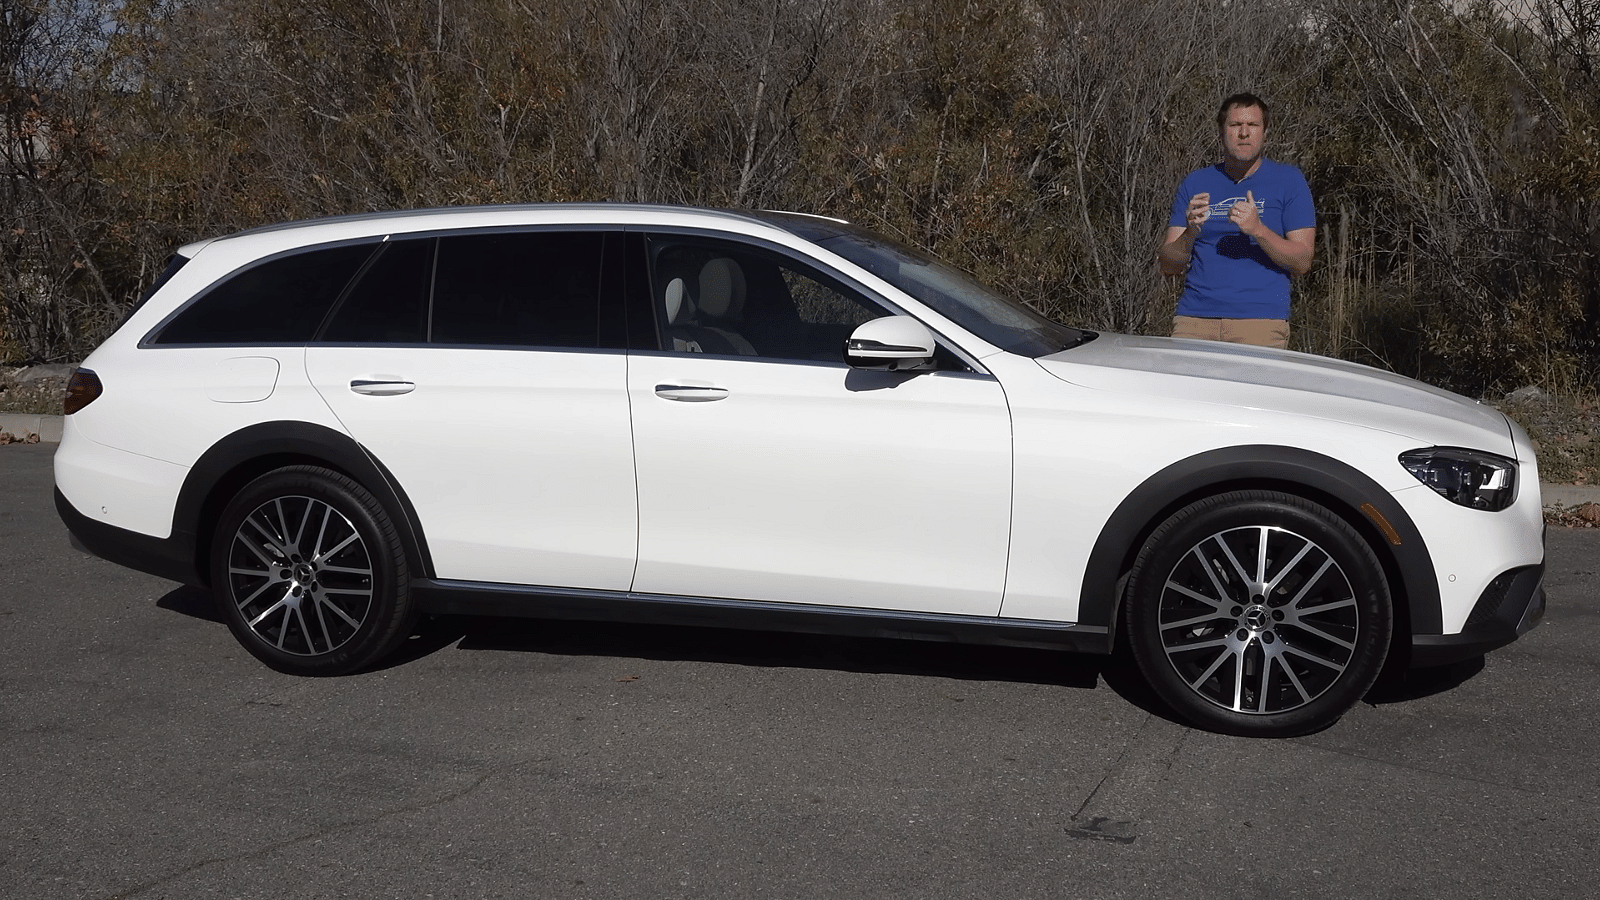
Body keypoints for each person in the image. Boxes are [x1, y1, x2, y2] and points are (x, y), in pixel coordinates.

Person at [1158, 92, 1315, 349]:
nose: (1244, 133)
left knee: (1252, 392)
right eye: (1235, 125)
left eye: (1252, 125)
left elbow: (1302, 260)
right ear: (1221, 132)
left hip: (1260, 324)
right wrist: (1189, 234)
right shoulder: (1196, 182)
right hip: (1194, 321)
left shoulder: (1289, 181)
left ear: (1265, 133)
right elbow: (1168, 264)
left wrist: (1258, 230)